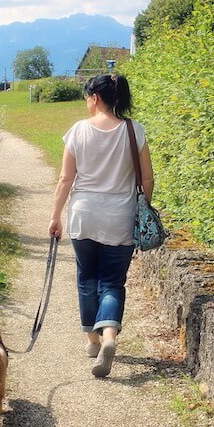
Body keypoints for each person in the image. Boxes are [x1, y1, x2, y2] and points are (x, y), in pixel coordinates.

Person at [48, 74, 154, 378]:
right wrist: (141, 208)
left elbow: (66, 179)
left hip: (84, 214)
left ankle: (93, 341)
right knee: (112, 282)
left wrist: (55, 216)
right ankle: (109, 335)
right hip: (119, 216)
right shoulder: (135, 131)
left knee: (87, 278)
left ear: (95, 98)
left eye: (86, 97)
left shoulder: (78, 131)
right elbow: (147, 178)